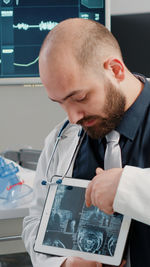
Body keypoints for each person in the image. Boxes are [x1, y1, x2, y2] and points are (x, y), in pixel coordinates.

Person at [22, 18, 150, 267]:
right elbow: (35, 222)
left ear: (115, 70)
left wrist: (127, 187)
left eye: (79, 97)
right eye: (60, 103)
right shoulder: (62, 138)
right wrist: (63, 263)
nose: (72, 117)